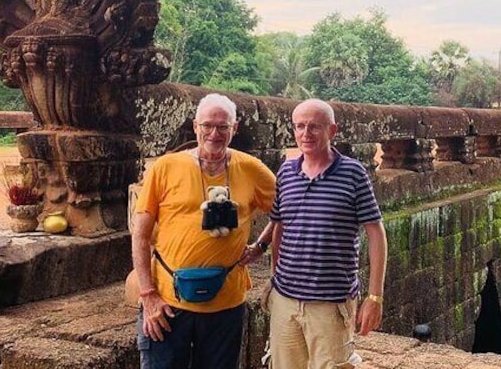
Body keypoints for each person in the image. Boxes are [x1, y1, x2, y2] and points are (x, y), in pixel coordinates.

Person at [132, 93, 276, 369]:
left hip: (226, 304)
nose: (214, 133)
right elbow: (140, 234)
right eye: (207, 125)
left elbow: (287, 209)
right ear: (195, 126)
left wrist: (260, 246)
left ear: (235, 129)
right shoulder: (165, 167)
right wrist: (148, 295)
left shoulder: (250, 169)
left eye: (223, 127)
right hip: (167, 303)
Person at [267, 99, 388, 369]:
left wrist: (374, 297)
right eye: (299, 126)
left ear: (332, 131)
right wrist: (275, 278)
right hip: (285, 301)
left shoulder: (352, 173)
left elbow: (375, 233)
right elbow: (279, 225)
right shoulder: (287, 172)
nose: (305, 134)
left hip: (330, 304)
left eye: (314, 127)